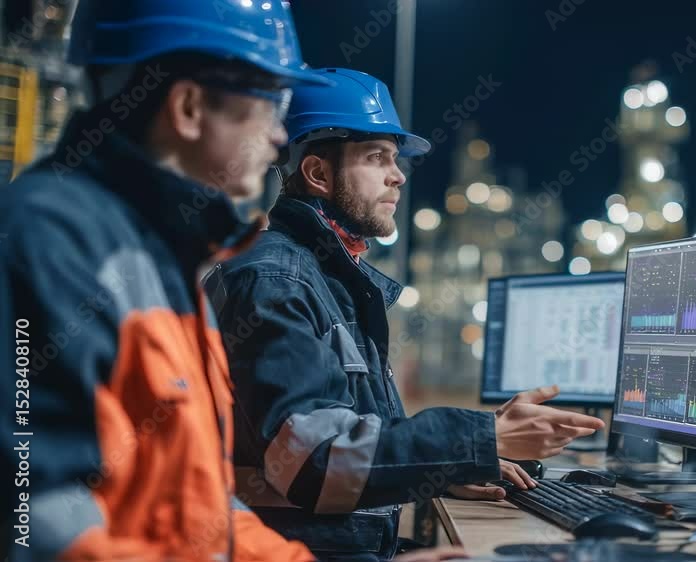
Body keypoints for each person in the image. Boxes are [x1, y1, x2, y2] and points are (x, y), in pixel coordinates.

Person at [0, 2, 359, 560]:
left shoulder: (163, 255)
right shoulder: (46, 244)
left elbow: (201, 515)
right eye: (273, 104)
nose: (280, 136)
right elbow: (33, 526)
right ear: (189, 107)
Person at [203, 68, 606, 558]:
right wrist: (481, 437)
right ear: (317, 173)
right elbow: (311, 463)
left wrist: (443, 471)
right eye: (377, 158)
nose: (398, 176)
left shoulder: (331, 280)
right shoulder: (275, 281)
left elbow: (347, 443)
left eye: (396, 160)